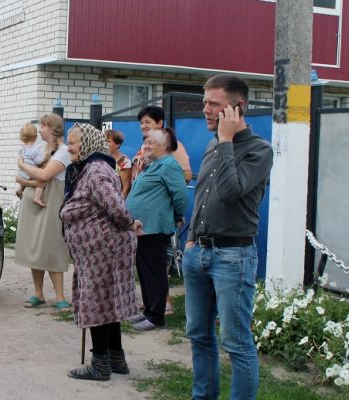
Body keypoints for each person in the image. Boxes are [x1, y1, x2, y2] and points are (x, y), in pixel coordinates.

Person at [183, 74, 273, 400]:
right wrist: (191, 238)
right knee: (199, 335)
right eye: (204, 102)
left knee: (236, 342)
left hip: (233, 257)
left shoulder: (259, 150)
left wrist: (225, 142)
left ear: (238, 108)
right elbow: (203, 196)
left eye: (213, 104)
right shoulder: (211, 145)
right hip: (199, 253)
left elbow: (230, 191)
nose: (204, 109)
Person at [59, 123, 140, 381]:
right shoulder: (91, 169)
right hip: (98, 250)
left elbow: (116, 207)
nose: (68, 148)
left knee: (97, 303)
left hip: (102, 250)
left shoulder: (95, 171)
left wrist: (130, 222)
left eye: (72, 143)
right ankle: (116, 358)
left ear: (87, 144)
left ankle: (100, 363)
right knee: (106, 303)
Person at [125, 127, 188, 331]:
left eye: (151, 142)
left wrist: (177, 216)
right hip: (141, 229)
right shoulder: (153, 165)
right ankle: (149, 311)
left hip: (155, 228)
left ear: (163, 146)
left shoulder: (169, 164)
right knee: (144, 272)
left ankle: (157, 316)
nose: (146, 145)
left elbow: (180, 196)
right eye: (146, 142)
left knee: (154, 272)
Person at [15, 113, 72, 311]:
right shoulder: (39, 149)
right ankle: (38, 294)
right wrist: (26, 180)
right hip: (32, 202)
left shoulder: (64, 152)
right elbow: (35, 178)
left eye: (43, 126)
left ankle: (60, 296)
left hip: (51, 203)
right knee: (35, 247)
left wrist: (22, 170)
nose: (40, 129)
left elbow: (45, 175)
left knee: (53, 247)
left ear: (53, 129)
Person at [15, 122, 46, 207]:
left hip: (22, 172)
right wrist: (44, 158)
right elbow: (38, 161)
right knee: (40, 183)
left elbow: (20, 158)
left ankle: (19, 189)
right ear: (35, 137)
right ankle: (37, 197)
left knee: (23, 179)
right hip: (31, 170)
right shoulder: (34, 150)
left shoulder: (21, 148)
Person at [105, 129, 132, 199]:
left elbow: (126, 189)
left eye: (108, 141)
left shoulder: (125, 162)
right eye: (104, 141)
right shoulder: (104, 160)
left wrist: (118, 205)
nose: (105, 144)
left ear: (118, 144)